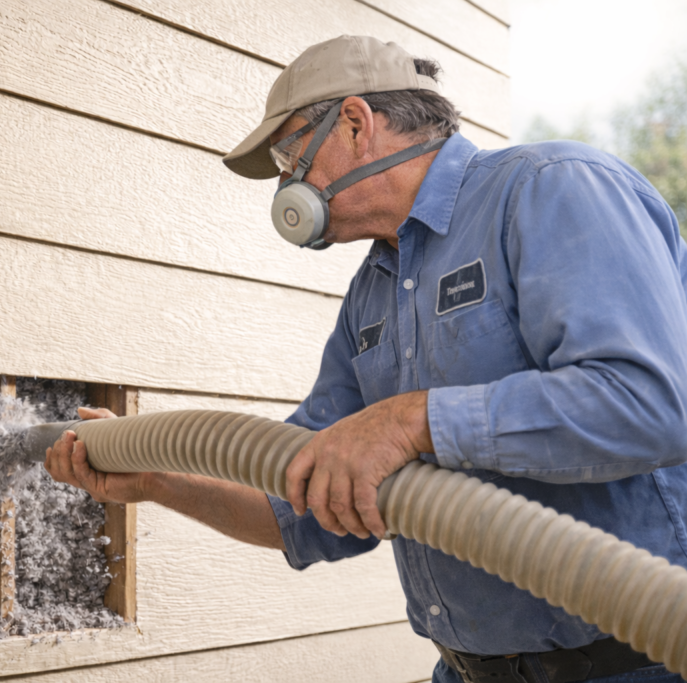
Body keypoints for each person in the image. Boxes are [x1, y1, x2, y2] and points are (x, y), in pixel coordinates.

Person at [45, 35, 687, 683]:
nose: (287, 183)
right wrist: (156, 482)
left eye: (289, 153)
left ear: (355, 122)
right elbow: (301, 496)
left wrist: (410, 421)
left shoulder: (550, 189)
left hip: (641, 660)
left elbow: (650, 404)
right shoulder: (375, 290)